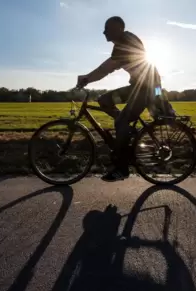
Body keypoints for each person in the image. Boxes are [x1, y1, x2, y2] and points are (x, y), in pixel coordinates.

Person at [77, 16, 163, 182]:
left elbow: (106, 69)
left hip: (146, 89)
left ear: (117, 28)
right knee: (104, 101)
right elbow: (108, 68)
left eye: (106, 28)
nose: (103, 32)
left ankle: (122, 168)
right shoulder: (123, 42)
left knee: (121, 122)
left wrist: (87, 78)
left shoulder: (125, 41)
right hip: (138, 87)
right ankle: (127, 131)